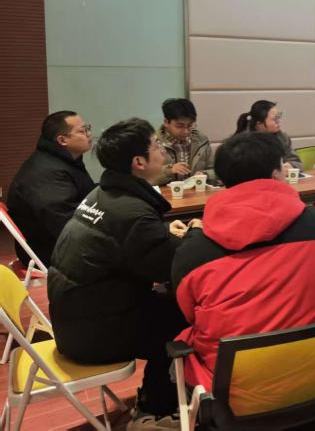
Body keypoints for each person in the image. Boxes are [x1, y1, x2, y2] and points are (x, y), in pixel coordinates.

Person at [48, 118, 192, 430]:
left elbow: (133, 246)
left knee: (170, 303)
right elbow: (171, 268)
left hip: (75, 320)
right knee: (189, 317)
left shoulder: (103, 195)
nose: (162, 152)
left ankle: (161, 397)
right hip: (95, 335)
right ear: (139, 162)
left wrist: (165, 234)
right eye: (156, 146)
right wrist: (193, 237)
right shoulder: (132, 213)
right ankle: (156, 408)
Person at [172, 132, 315, 390]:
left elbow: (188, 314)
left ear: (223, 179)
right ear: (275, 175)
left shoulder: (193, 252)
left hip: (236, 390)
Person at [7, 111, 95, 268]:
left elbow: (85, 195)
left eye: (87, 128)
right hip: (52, 251)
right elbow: (64, 223)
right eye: (82, 131)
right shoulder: (46, 173)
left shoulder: (63, 161)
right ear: (62, 140)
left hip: (63, 241)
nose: (89, 134)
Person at [158, 98, 215, 185]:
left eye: (189, 125)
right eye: (179, 126)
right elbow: (146, 177)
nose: (186, 131)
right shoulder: (154, 143)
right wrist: (169, 170)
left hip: (196, 191)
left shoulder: (201, 140)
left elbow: (215, 170)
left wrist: (205, 174)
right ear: (166, 122)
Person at [234, 99, 303, 171]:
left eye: (278, 117)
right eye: (274, 119)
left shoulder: (282, 137)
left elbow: (296, 162)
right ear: (259, 125)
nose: (278, 121)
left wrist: (291, 166)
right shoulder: (242, 143)